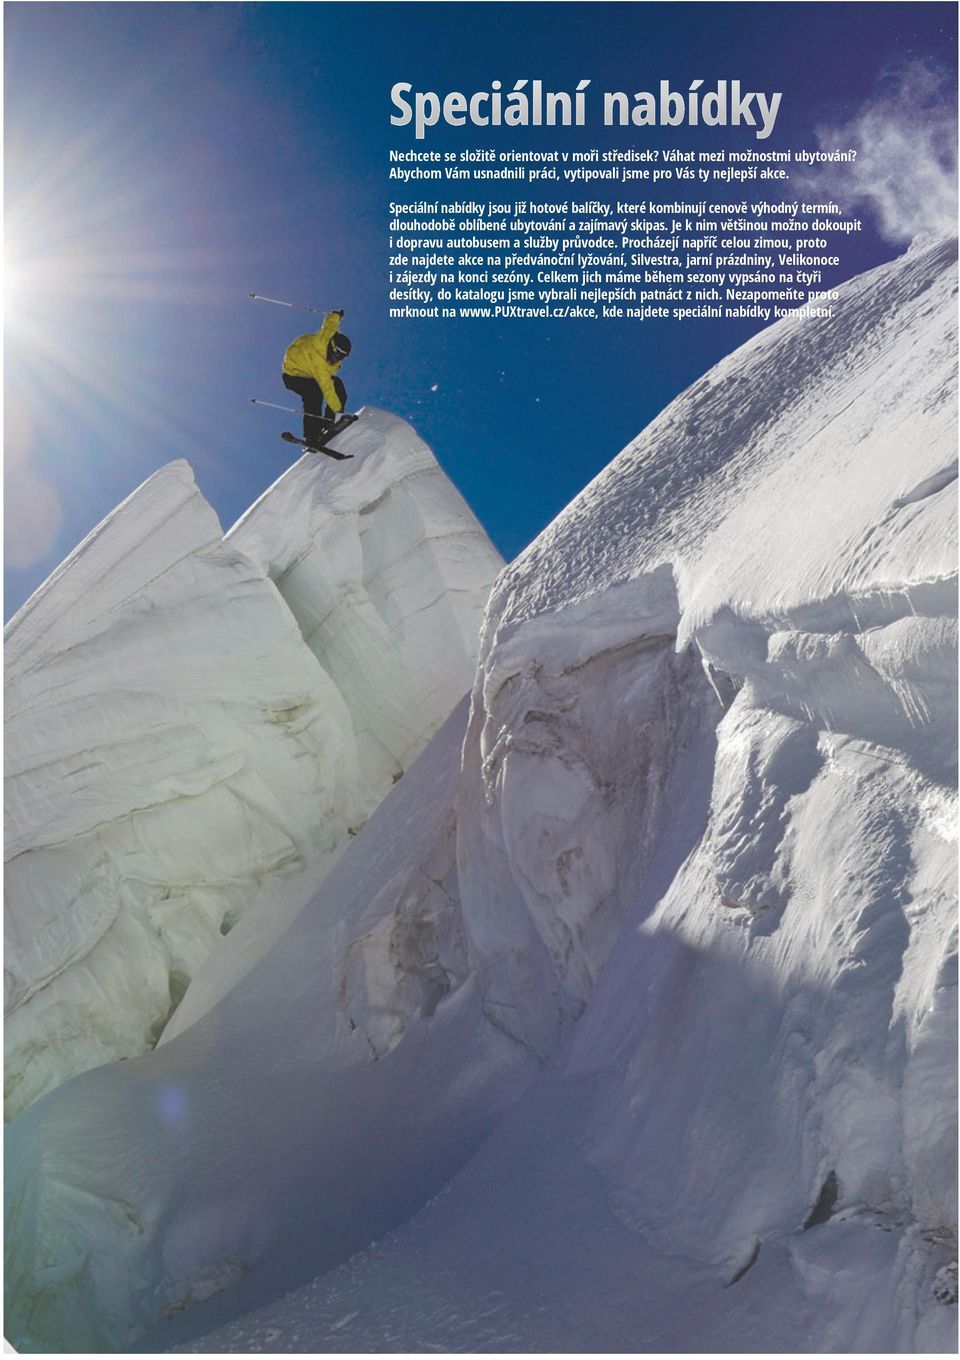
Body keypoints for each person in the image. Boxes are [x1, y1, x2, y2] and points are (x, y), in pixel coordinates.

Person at [282, 309, 351, 449]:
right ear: (332, 349)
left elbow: (330, 323)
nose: (338, 360)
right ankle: (311, 434)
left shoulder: (330, 335)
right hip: (293, 374)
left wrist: (336, 315)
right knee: (314, 393)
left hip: (307, 369)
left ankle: (328, 422)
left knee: (338, 384)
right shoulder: (319, 360)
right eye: (338, 356)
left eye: (342, 358)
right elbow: (326, 388)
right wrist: (338, 410)